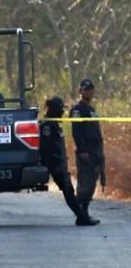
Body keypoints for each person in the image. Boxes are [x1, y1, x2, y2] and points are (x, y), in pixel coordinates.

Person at [40, 96, 94, 225]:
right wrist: (56, 164)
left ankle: (82, 216)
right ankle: (82, 217)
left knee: (68, 190)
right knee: (68, 190)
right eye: (60, 109)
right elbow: (47, 149)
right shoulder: (47, 125)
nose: (62, 112)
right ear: (54, 109)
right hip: (55, 164)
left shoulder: (54, 123)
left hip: (59, 163)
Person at [70, 79, 105, 225]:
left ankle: (84, 213)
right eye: (86, 89)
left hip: (95, 152)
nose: (89, 92)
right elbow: (76, 131)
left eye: (90, 89)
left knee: (91, 184)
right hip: (86, 152)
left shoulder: (91, 110)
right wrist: (83, 150)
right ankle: (81, 215)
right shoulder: (77, 110)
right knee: (85, 184)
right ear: (80, 91)